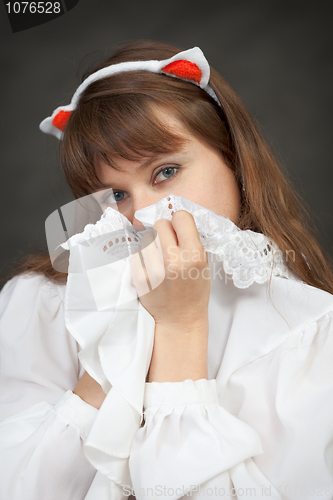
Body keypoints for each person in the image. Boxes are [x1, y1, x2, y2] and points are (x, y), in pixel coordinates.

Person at [0, 39, 332, 500]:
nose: (142, 215)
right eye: (116, 195)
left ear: (233, 157)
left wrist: (179, 330)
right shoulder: (40, 305)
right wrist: (111, 348)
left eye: (165, 172)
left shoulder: (311, 334)